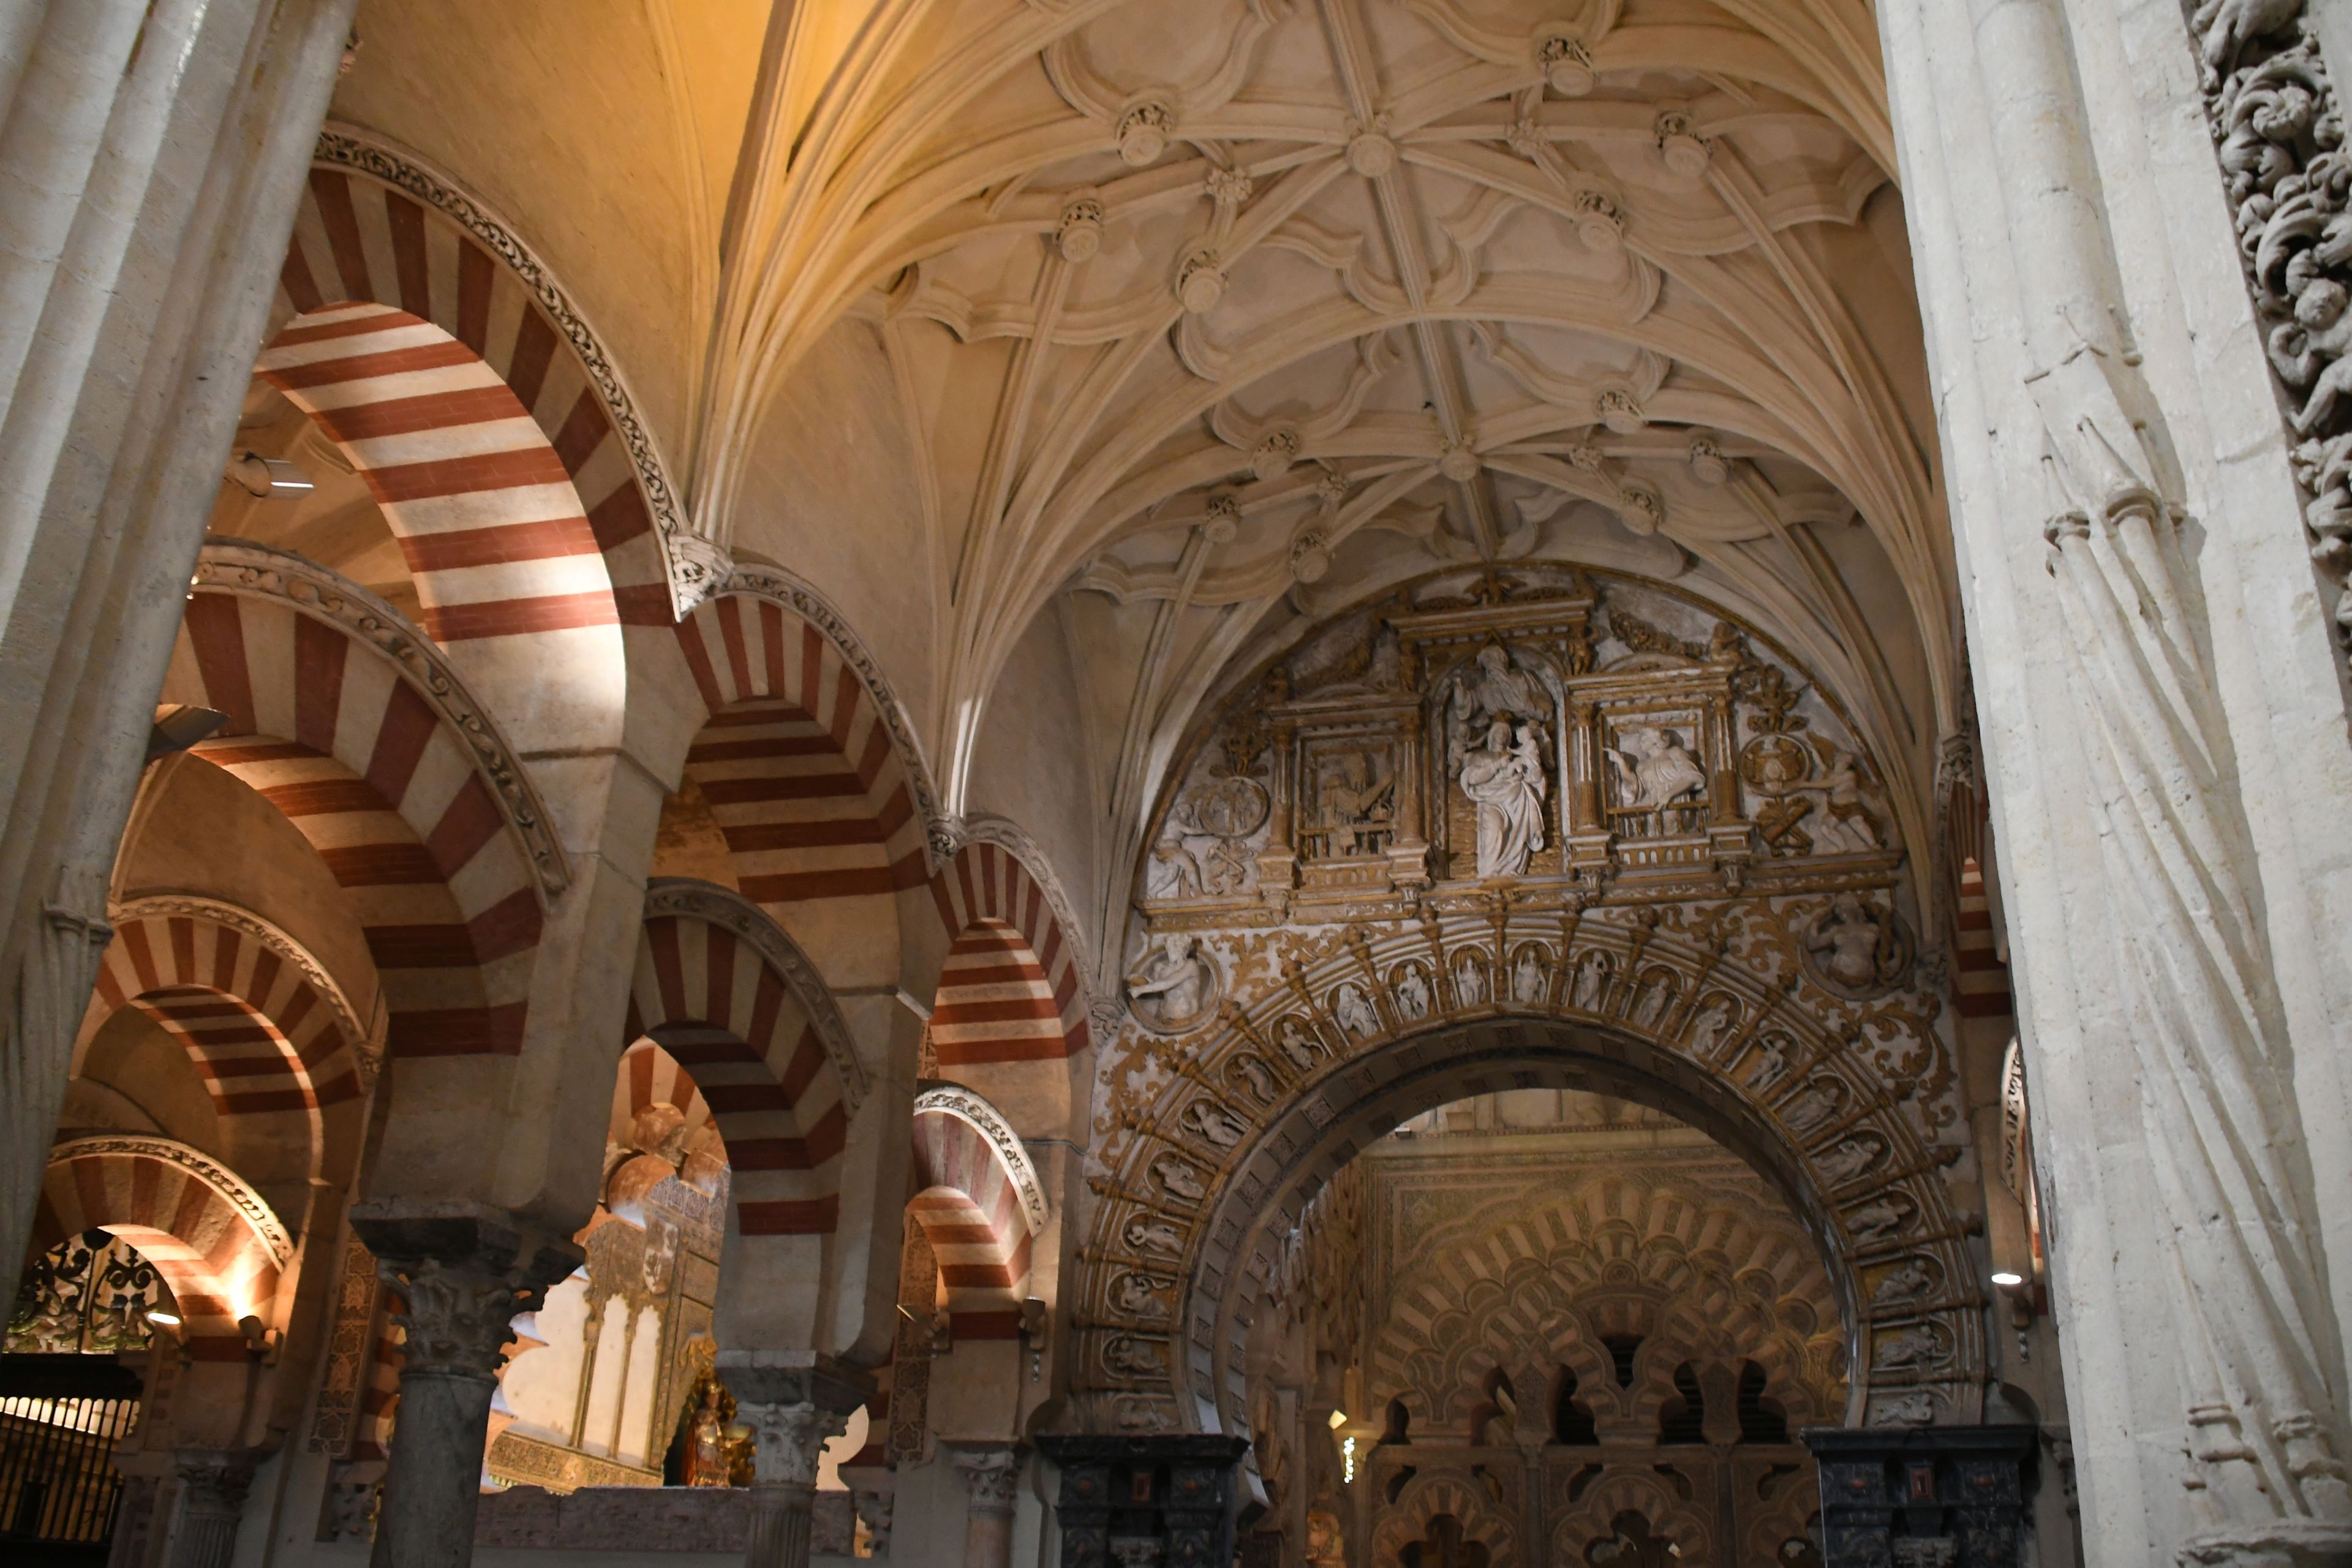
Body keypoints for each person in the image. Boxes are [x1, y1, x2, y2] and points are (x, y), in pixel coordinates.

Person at [1458, 717, 1547, 876]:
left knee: (1515, 833)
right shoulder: (1480, 756)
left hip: (1514, 801)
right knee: (1495, 829)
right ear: (1491, 735)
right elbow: (1473, 778)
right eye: (1498, 731)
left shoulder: (1515, 755)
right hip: (1491, 801)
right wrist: (1497, 766)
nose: (1502, 735)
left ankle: (1511, 866)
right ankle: (1491, 871)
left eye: (1506, 733)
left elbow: (1533, 775)